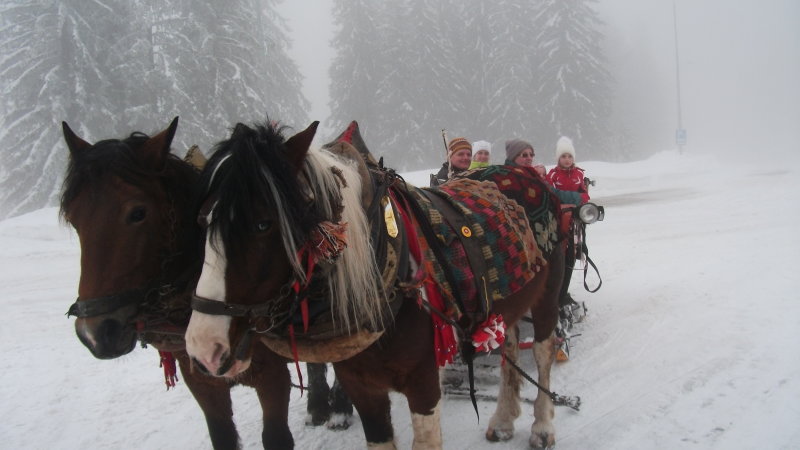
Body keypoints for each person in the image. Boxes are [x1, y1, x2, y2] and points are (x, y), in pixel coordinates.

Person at [545, 136, 590, 361]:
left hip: (573, 225)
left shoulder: (580, 174)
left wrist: (570, 199)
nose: (566, 159)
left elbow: (585, 196)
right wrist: (573, 198)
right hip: (557, 224)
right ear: (558, 158)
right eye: (563, 156)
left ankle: (562, 293)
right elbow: (551, 195)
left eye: (569, 156)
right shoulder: (552, 175)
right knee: (557, 258)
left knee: (570, 257)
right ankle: (556, 293)